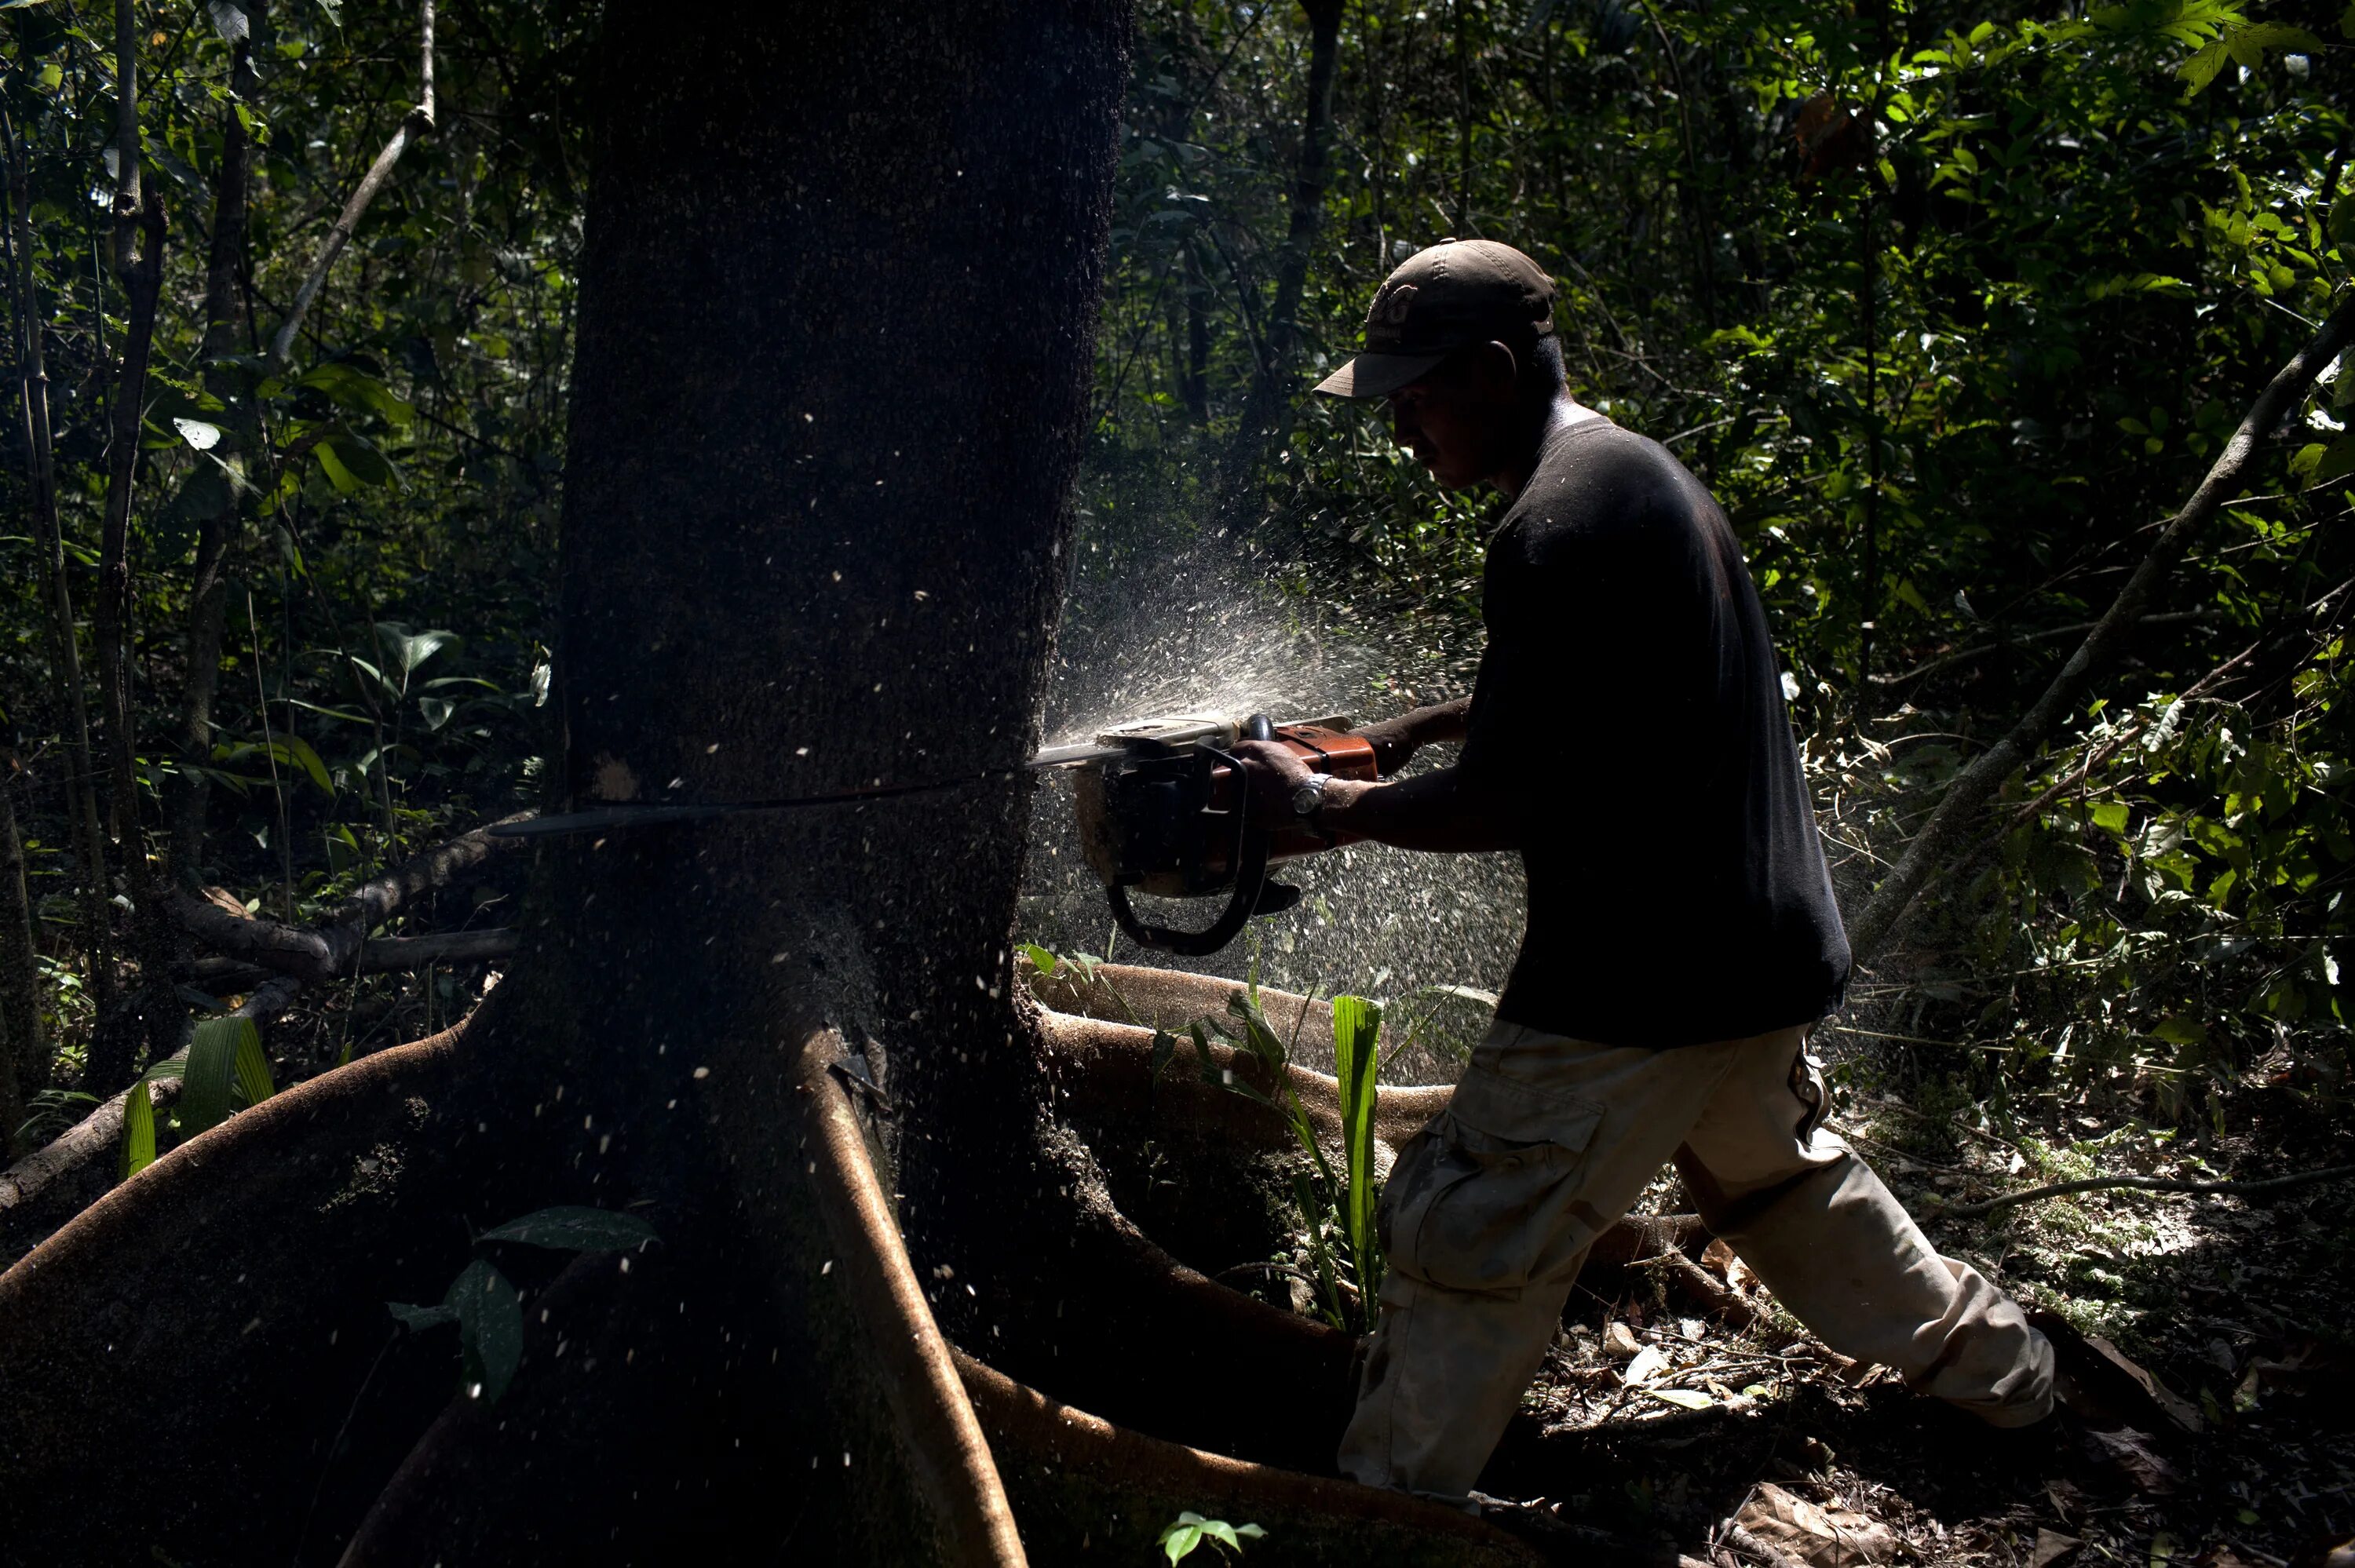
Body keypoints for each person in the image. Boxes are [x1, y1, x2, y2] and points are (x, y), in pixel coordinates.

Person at [1232, 239, 2054, 1506]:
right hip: (1756, 953)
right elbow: (1603, 696)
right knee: (1789, 1188)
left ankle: (1383, 1515)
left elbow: (1515, 796)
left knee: (1467, 1227)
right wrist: (1415, 730)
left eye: (1416, 399)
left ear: (1495, 371)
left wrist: (1327, 801)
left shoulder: (1551, 527)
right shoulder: (1633, 478)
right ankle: (2008, 1377)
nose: (1403, 430)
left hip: (1635, 985)